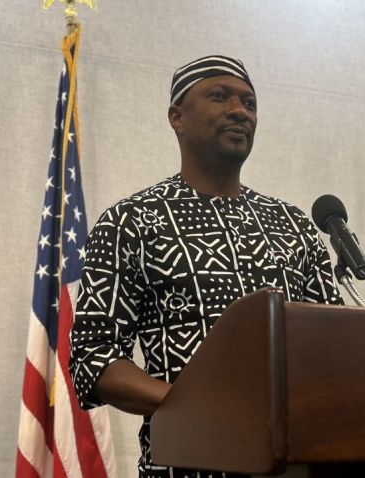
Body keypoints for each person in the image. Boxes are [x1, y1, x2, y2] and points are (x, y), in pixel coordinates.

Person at [69, 55, 344, 478]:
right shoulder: (131, 221)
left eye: (249, 103)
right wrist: (198, 405)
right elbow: (95, 359)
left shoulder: (292, 224)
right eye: (220, 96)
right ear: (177, 117)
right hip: (186, 464)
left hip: (297, 464)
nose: (240, 111)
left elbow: (333, 347)